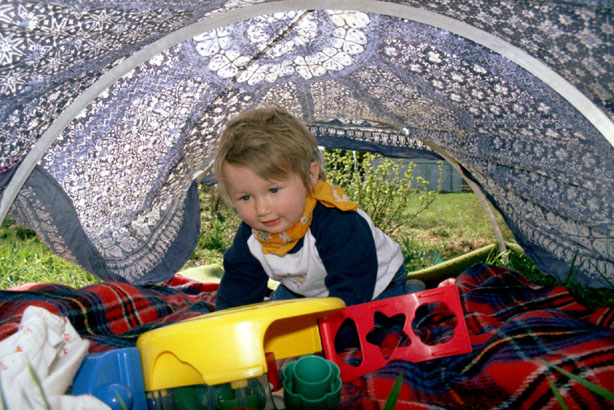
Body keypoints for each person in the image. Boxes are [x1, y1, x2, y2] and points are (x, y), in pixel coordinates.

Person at [213, 103, 421, 311]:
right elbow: (238, 286)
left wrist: (330, 326)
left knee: (382, 320)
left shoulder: (336, 220)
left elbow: (352, 289)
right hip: (309, 291)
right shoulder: (252, 235)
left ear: (310, 175)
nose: (262, 209)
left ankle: (409, 292)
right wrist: (226, 322)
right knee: (277, 317)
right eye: (246, 197)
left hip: (373, 284)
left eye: (274, 190)